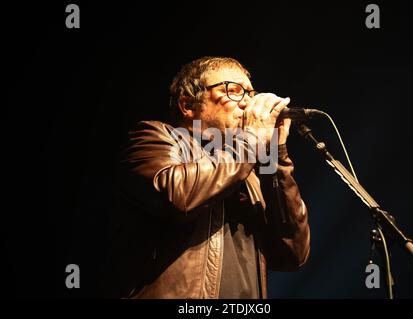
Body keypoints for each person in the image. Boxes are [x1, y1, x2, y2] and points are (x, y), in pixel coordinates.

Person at [105, 56, 310, 299]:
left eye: (250, 94)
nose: (247, 103)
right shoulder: (153, 137)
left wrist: (276, 155)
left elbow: (292, 254)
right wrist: (253, 140)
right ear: (187, 105)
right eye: (233, 91)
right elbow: (179, 197)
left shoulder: (249, 171)